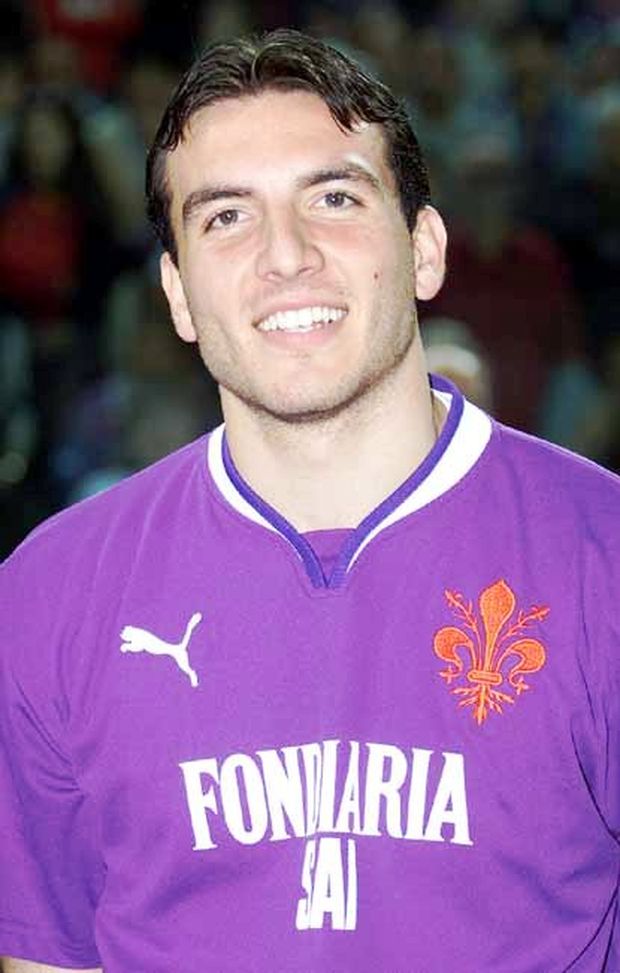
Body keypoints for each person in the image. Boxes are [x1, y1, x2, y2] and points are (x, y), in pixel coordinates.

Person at [0, 28, 618, 973]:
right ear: (177, 293)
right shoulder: (49, 595)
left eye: (333, 198)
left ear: (424, 249)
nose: (285, 254)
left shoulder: (600, 557)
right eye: (226, 217)